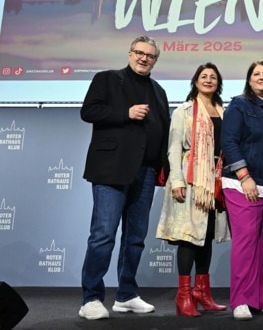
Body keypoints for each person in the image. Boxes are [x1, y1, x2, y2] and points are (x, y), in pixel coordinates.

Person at [79, 36, 170, 320]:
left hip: (145, 173)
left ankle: (126, 295)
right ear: (130, 54)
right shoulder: (107, 79)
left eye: (150, 56)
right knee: (103, 235)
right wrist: (126, 113)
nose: (144, 59)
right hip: (111, 170)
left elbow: (163, 130)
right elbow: (88, 111)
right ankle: (91, 298)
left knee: (135, 238)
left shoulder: (158, 90)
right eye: (139, 53)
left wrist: (163, 168)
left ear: (156, 60)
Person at [156, 62, 228, 317]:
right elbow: (174, 148)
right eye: (204, 76)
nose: (208, 80)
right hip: (189, 177)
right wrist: (176, 180)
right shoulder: (183, 111)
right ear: (195, 81)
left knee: (205, 236)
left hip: (214, 179)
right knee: (188, 237)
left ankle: (202, 291)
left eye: (213, 77)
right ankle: (184, 295)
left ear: (218, 83)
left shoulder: (223, 110)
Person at [221, 61, 263, 320]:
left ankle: (260, 298)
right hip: (244, 183)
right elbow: (229, 141)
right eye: (256, 74)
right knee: (246, 242)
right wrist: (244, 175)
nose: (262, 77)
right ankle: (241, 300)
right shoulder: (239, 105)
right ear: (249, 80)